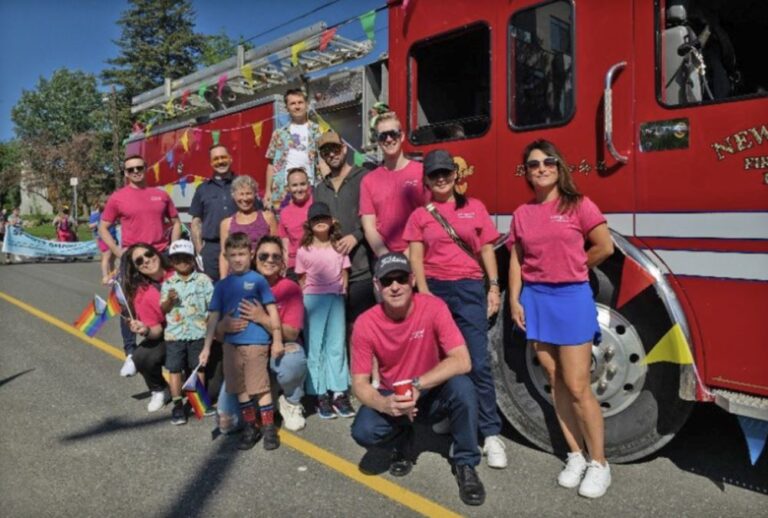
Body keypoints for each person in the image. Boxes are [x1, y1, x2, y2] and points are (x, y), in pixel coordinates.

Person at [507, 139, 614, 498]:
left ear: (559, 166)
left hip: (571, 299)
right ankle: (576, 455)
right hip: (536, 299)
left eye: (548, 161)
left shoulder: (579, 205)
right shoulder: (522, 214)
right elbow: (517, 259)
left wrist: (576, 267)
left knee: (579, 385)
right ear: (527, 172)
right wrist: (515, 301)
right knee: (554, 380)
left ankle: (600, 463)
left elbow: (604, 245)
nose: (541, 168)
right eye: (533, 164)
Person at [350, 253, 486, 507]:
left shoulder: (433, 307)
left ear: (412, 280)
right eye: (387, 281)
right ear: (377, 286)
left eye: (400, 278)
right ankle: (403, 441)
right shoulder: (365, 323)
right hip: (394, 395)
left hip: (431, 389)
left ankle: (466, 463)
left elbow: (462, 360)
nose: (394, 286)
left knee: (464, 388)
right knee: (363, 432)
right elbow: (359, 383)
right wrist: (384, 404)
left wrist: (418, 385)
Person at [403, 149, 507, 469]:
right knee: (442, 362)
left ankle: (490, 434)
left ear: (455, 175)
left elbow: (487, 249)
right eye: (435, 174)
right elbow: (415, 259)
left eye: (446, 172)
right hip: (435, 289)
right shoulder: (420, 215)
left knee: (476, 361)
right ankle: (454, 414)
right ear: (427, 181)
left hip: (468, 289)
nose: (442, 178)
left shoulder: (474, 208)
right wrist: (423, 296)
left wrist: (493, 286)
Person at [200, 232, 283, 451]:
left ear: (251, 255)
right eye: (233, 255)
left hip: (256, 342)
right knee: (240, 389)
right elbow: (213, 318)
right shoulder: (221, 286)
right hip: (230, 346)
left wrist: (277, 339)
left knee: (260, 387)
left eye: (242, 254)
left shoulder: (258, 280)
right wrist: (207, 347)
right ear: (226, 256)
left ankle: (268, 428)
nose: (238, 259)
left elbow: (272, 311)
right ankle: (250, 425)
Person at [99, 155, 181, 378]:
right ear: (125, 173)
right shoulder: (118, 198)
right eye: (131, 169)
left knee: (170, 299)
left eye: (139, 167)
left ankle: (173, 344)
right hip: (133, 260)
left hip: (159, 256)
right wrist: (119, 253)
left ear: (146, 168)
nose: (136, 172)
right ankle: (130, 352)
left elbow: (176, 222)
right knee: (128, 305)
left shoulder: (161, 194)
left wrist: (172, 248)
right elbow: (103, 228)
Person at [218, 236, 308, 432]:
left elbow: (292, 334)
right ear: (254, 258)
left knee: (292, 362)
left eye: (276, 256)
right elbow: (217, 333)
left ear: (283, 261)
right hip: (246, 354)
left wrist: (262, 317)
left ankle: (291, 401)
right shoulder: (234, 286)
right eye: (264, 255)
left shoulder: (289, 288)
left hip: (280, 349)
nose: (270, 260)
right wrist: (223, 326)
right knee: (228, 423)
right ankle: (266, 397)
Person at [295, 201, 354, 419]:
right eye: (315, 219)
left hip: (335, 298)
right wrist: (307, 299)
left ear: (331, 222)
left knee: (336, 344)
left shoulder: (338, 246)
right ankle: (319, 393)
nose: (320, 222)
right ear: (309, 224)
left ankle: (338, 392)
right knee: (315, 345)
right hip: (313, 299)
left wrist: (343, 291)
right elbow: (301, 278)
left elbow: (345, 272)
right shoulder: (304, 250)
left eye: (324, 218)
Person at [313, 130, 376, 324]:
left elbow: (378, 218)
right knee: (337, 330)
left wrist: (356, 236)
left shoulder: (365, 177)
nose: (331, 154)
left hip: (362, 269)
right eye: (326, 152)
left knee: (362, 327)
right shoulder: (320, 189)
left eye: (334, 149)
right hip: (332, 275)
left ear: (344, 149)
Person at [159, 239, 214, 425]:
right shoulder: (169, 283)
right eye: (177, 259)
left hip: (198, 333)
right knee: (174, 369)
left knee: (198, 368)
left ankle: (198, 400)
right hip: (175, 334)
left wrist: (209, 325)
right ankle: (177, 405)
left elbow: (212, 306)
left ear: (193, 260)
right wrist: (170, 301)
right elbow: (164, 309)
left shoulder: (203, 280)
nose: (182, 262)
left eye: (186, 258)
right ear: (171, 262)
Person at [360, 112, 428, 257]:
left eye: (393, 134)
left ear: (402, 136)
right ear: (378, 141)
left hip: (420, 254)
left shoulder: (422, 172)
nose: (389, 139)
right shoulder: (368, 180)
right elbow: (369, 227)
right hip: (385, 258)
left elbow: (431, 218)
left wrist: (409, 254)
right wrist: (387, 258)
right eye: (383, 136)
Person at [122, 243, 173, 412]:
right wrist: (145, 330)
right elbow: (156, 330)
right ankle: (160, 389)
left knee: (211, 391)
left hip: (199, 334)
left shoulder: (180, 268)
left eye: (149, 254)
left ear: (157, 253)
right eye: (139, 260)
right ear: (136, 268)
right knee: (142, 356)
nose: (146, 260)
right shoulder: (143, 294)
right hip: (171, 336)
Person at [264, 88, 323, 211]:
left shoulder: (317, 130)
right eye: (292, 103)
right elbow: (271, 164)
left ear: (306, 104)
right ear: (287, 107)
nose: (297, 106)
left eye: (300, 102)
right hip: (283, 190)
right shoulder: (279, 133)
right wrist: (268, 191)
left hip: (310, 187)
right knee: (284, 222)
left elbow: (323, 161)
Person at [189, 145, 240, 282]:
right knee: (214, 290)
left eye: (223, 157)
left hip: (240, 245)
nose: (220, 162)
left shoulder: (242, 184)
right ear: (211, 163)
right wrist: (201, 251)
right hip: (212, 249)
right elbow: (196, 222)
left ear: (230, 159)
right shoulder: (202, 189)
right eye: (216, 159)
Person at [218, 175, 277, 279]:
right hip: (236, 277)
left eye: (248, 193)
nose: (245, 198)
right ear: (234, 196)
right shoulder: (226, 223)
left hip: (264, 276)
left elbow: (277, 248)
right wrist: (223, 280)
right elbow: (224, 255)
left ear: (255, 194)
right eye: (241, 194)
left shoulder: (268, 217)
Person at [277, 167, 313, 279]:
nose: (299, 189)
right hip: (295, 265)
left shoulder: (317, 203)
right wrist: (284, 266)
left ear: (308, 184)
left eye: (302, 184)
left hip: (316, 262)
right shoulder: (285, 213)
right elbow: (285, 243)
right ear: (288, 188)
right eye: (294, 185)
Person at [89, 198, 118, 285]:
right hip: (104, 238)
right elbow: (91, 225)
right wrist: (98, 223)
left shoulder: (112, 214)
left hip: (113, 237)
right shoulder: (98, 215)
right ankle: (105, 276)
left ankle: (112, 275)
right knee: (106, 257)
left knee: (112, 258)